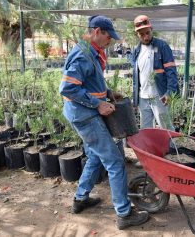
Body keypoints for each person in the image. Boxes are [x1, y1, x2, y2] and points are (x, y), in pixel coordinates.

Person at [59, 15, 149, 230]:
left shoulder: (90, 51)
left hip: (82, 113)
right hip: (85, 116)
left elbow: (88, 81)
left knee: (94, 156)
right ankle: (124, 213)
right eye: (109, 36)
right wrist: (98, 104)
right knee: (116, 162)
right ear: (97, 31)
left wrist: (108, 93)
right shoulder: (83, 54)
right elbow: (68, 88)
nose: (111, 41)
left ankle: (80, 199)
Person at [131, 15, 179, 130]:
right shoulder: (136, 51)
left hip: (159, 96)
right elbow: (136, 77)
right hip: (143, 97)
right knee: (145, 130)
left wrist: (170, 92)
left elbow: (171, 71)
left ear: (151, 30)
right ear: (137, 34)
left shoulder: (162, 46)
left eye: (147, 33)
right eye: (142, 34)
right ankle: (150, 148)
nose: (146, 37)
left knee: (166, 128)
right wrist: (135, 98)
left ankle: (171, 148)